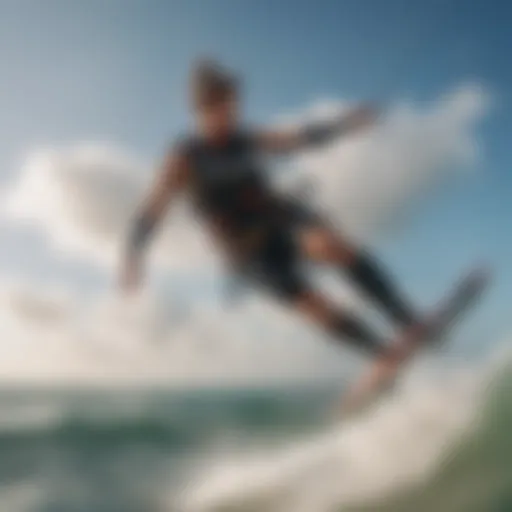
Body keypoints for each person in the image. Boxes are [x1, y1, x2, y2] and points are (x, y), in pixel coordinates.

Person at [119, 58, 423, 364]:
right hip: (245, 251)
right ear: (201, 110)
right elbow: (152, 211)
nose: (230, 115)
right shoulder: (184, 157)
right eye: (222, 108)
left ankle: (406, 320)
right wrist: (134, 254)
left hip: (278, 220)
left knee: (333, 246)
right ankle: (381, 354)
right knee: (314, 306)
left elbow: (299, 139)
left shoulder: (246, 138)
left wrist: (347, 124)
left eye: (233, 106)